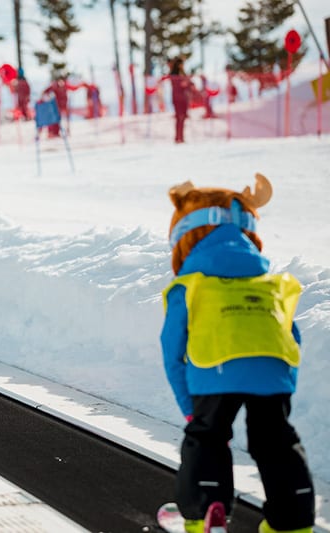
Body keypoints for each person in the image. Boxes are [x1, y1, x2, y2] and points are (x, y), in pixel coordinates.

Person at [161, 173, 314, 533]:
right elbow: (291, 338)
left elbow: (172, 350)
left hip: (213, 369)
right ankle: (292, 521)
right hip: (270, 372)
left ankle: (205, 510)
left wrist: (189, 408)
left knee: (208, 435)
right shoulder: (269, 285)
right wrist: (281, 384)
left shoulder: (191, 285)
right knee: (276, 440)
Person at [168, 57, 195, 144]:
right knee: (179, 117)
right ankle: (177, 137)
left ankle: (181, 137)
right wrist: (185, 82)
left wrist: (189, 83)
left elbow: (189, 84)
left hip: (183, 98)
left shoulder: (183, 74)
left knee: (182, 118)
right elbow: (180, 84)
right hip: (177, 98)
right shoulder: (174, 74)